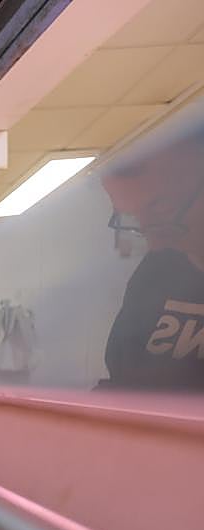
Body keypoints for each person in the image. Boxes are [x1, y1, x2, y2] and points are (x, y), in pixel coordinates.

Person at [100, 124, 204, 390]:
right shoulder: (157, 273)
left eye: (163, 210)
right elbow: (124, 383)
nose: (155, 242)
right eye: (136, 219)